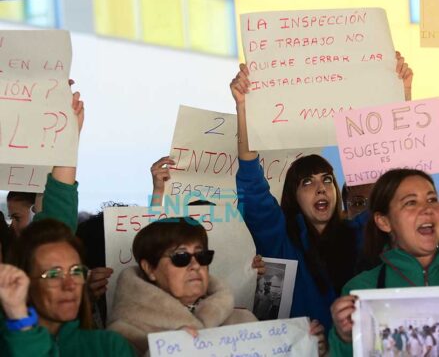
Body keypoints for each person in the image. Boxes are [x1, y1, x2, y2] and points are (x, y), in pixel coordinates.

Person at [229, 52, 413, 334]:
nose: (320, 187)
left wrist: (401, 94)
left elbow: (397, 185)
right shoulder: (280, 242)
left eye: (327, 179)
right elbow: (252, 186)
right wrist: (243, 107)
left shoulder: (360, 234)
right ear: (292, 195)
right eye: (307, 182)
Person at [107, 217, 258, 355]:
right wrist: (170, 348)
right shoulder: (121, 336)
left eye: (201, 256)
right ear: (150, 269)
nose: (196, 265)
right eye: (181, 257)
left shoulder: (243, 321)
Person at [329, 169, 439, 356]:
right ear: (383, 222)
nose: (428, 209)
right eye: (411, 202)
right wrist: (345, 339)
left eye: (432, 199)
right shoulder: (361, 290)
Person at [0, 219, 135, 356]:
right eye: (54, 274)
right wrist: (21, 323)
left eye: (76, 271)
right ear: (24, 284)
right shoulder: (7, 348)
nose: (70, 285)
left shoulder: (108, 346)